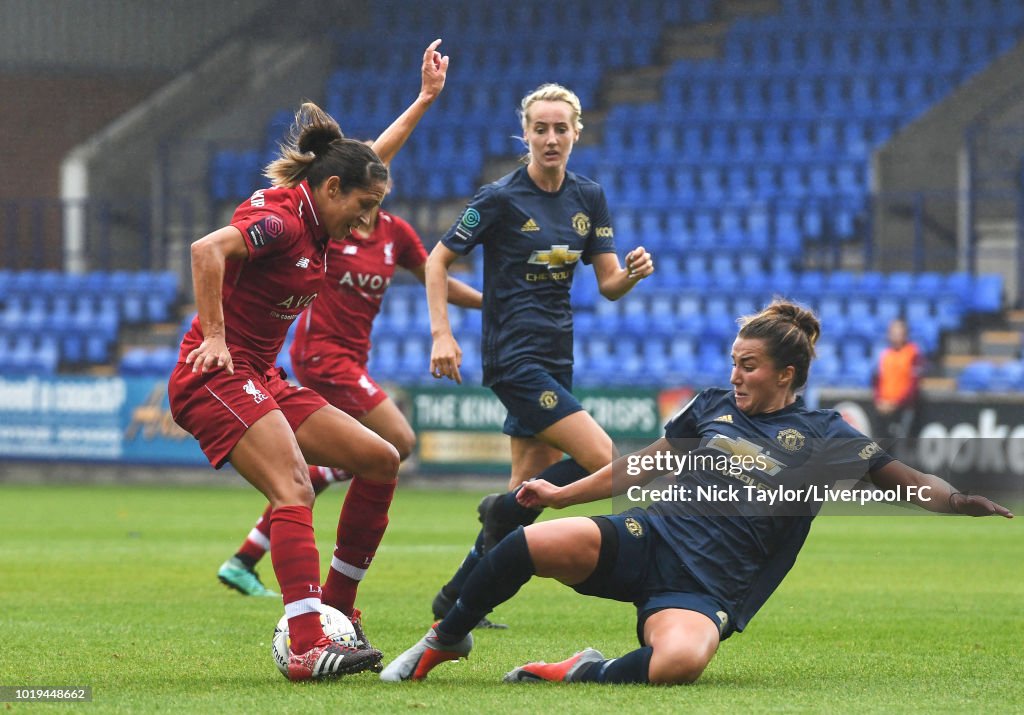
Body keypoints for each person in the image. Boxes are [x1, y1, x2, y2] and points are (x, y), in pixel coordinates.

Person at [379, 300, 1013, 685]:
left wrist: (958, 500)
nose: (733, 374)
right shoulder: (711, 408)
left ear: (786, 374)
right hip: (650, 536)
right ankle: (447, 638)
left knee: (679, 664)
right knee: (527, 544)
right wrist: (559, 496)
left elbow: (904, 481)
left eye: (749, 365)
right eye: (734, 361)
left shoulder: (827, 435)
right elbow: (645, 466)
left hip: (708, 585)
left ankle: (582, 670)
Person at [167, 39, 448, 681]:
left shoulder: (325, 214)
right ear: (329, 188)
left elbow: (371, 161)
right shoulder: (283, 221)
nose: (367, 222)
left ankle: (338, 615)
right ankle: (304, 647)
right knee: (294, 486)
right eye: (363, 207)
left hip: (264, 376)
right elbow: (208, 250)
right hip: (214, 376)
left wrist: (426, 100)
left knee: (380, 458)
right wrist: (212, 335)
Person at [423, 83, 655, 626]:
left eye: (560, 129)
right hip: (514, 356)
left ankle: (454, 600)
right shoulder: (498, 199)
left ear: (577, 133)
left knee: (524, 496)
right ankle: (499, 511)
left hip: (558, 354)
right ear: (524, 134)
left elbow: (608, 284)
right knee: (602, 457)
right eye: (540, 128)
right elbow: (437, 263)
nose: (550, 139)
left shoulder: (588, 197)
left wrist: (633, 275)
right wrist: (442, 334)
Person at [217, 192, 482, 599]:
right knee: (399, 441)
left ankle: (246, 557)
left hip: (355, 359)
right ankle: (302, 582)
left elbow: (435, 276)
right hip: (322, 354)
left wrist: (490, 304)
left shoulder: (396, 233)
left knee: (339, 463)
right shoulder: (333, 226)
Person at [872, 317, 922, 442]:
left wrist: (896, 403)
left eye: (898, 333)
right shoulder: (885, 354)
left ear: (905, 334)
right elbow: (878, 380)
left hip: (903, 408)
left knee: (900, 444)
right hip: (884, 408)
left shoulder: (913, 353)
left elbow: (913, 385)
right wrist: (879, 401)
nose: (895, 336)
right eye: (892, 333)